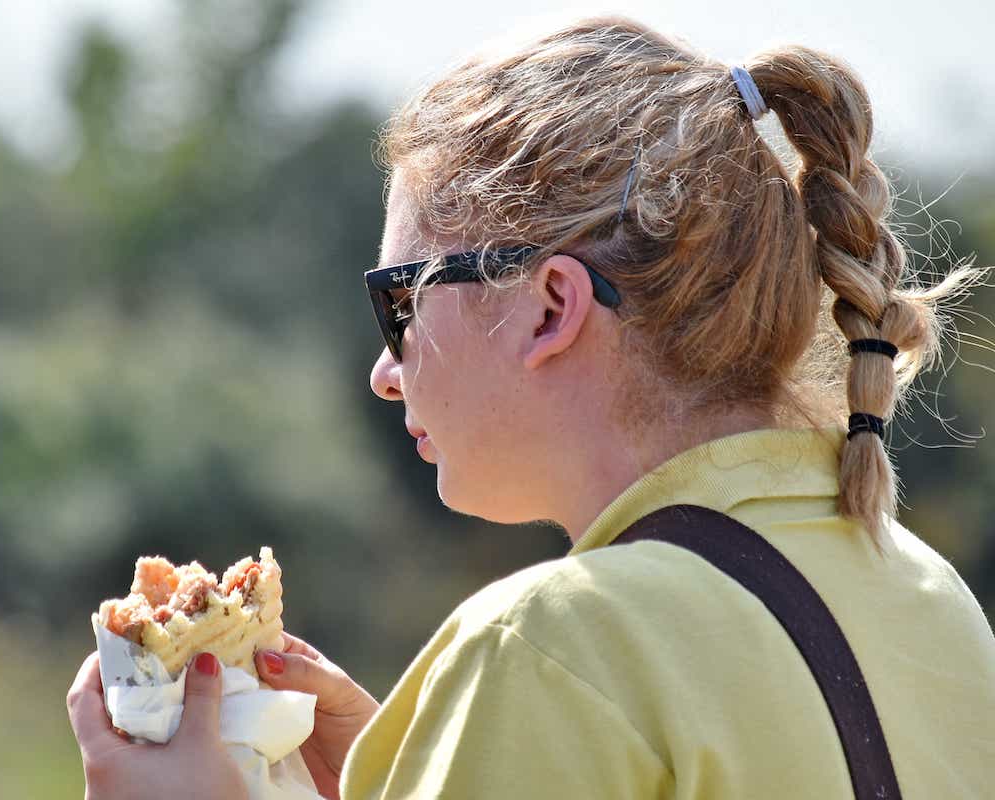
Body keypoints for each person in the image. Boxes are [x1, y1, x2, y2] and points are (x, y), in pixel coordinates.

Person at [67, 15, 995, 799]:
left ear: (551, 308)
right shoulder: (927, 597)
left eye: (399, 302)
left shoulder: (549, 648)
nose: (384, 374)